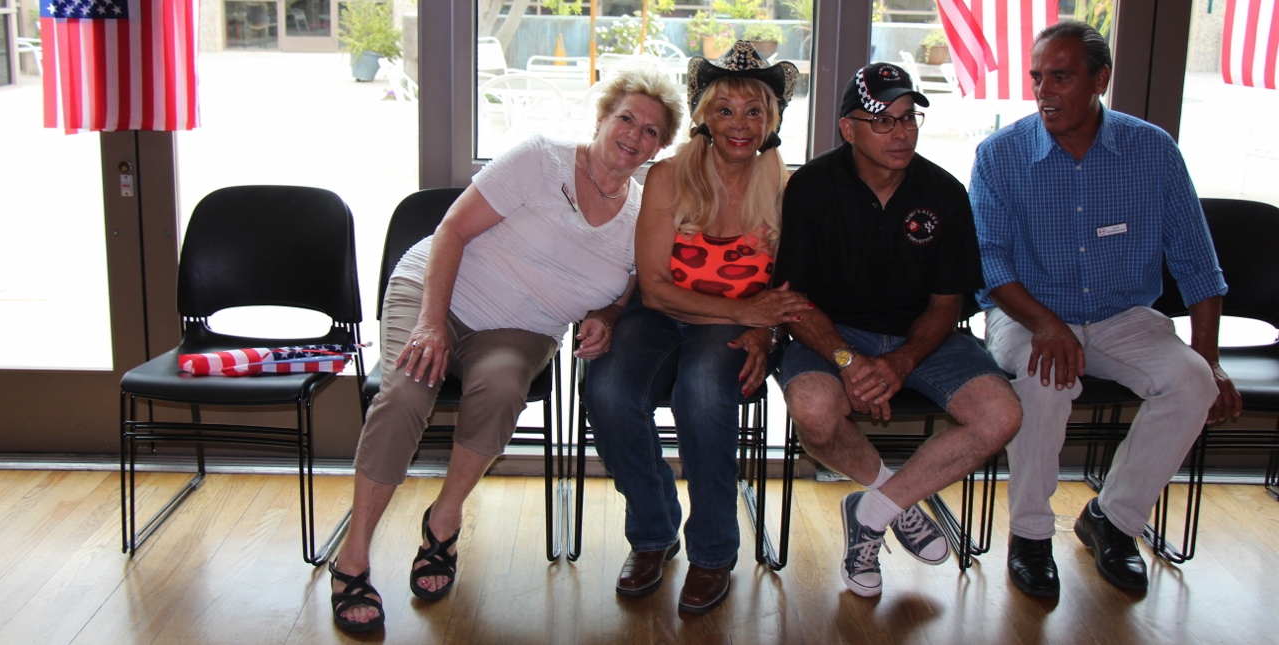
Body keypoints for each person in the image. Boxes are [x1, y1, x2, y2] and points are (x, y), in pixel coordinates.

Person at [328, 63, 684, 633]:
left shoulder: (642, 216)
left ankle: (443, 522)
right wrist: (431, 323)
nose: (634, 135)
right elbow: (452, 231)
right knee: (404, 396)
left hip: (521, 330)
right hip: (435, 291)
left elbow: (622, 293)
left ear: (660, 149)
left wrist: (606, 317)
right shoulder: (542, 159)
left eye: (650, 131)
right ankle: (354, 556)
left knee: (501, 387)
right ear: (602, 117)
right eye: (627, 118)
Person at [969, 20, 1243, 597]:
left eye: (1061, 78)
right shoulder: (1001, 155)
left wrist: (1211, 360)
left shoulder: (1152, 150)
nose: (1044, 92)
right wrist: (1046, 325)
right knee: (1045, 380)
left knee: (1191, 382)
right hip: (1027, 314)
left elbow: (1198, 262)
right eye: (1037, 77)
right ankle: (1031, 536)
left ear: (1100, 79)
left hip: (1123, 314)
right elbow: (989, 264)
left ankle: (1113, 521)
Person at [775, 62, 1022, 598]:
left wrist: (901, 362)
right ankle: (891, 496)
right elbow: (792, 300)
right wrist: (848, 360)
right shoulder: (812, 186)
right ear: (848, 128)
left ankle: (874, 511)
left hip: (921, 338)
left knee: (1001, 414)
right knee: (814, 410)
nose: (901, 132)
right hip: (830, 333)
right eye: (882, 120)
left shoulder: (944, 191)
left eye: (909, 118)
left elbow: (946, 302)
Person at [583, 41, 810, 615]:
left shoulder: (789, 190)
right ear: (704, 113)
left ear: (772, 120)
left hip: (725, 329)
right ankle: (655, 529)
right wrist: (747, 316)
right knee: (607, 391)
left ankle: (712, 553)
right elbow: (655, 286)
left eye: (754, 110)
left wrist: (765, 333)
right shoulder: (667, 176)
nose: (740, 124)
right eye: (725, 109)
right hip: (661, 314)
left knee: (704, 396)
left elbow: (789, 289)